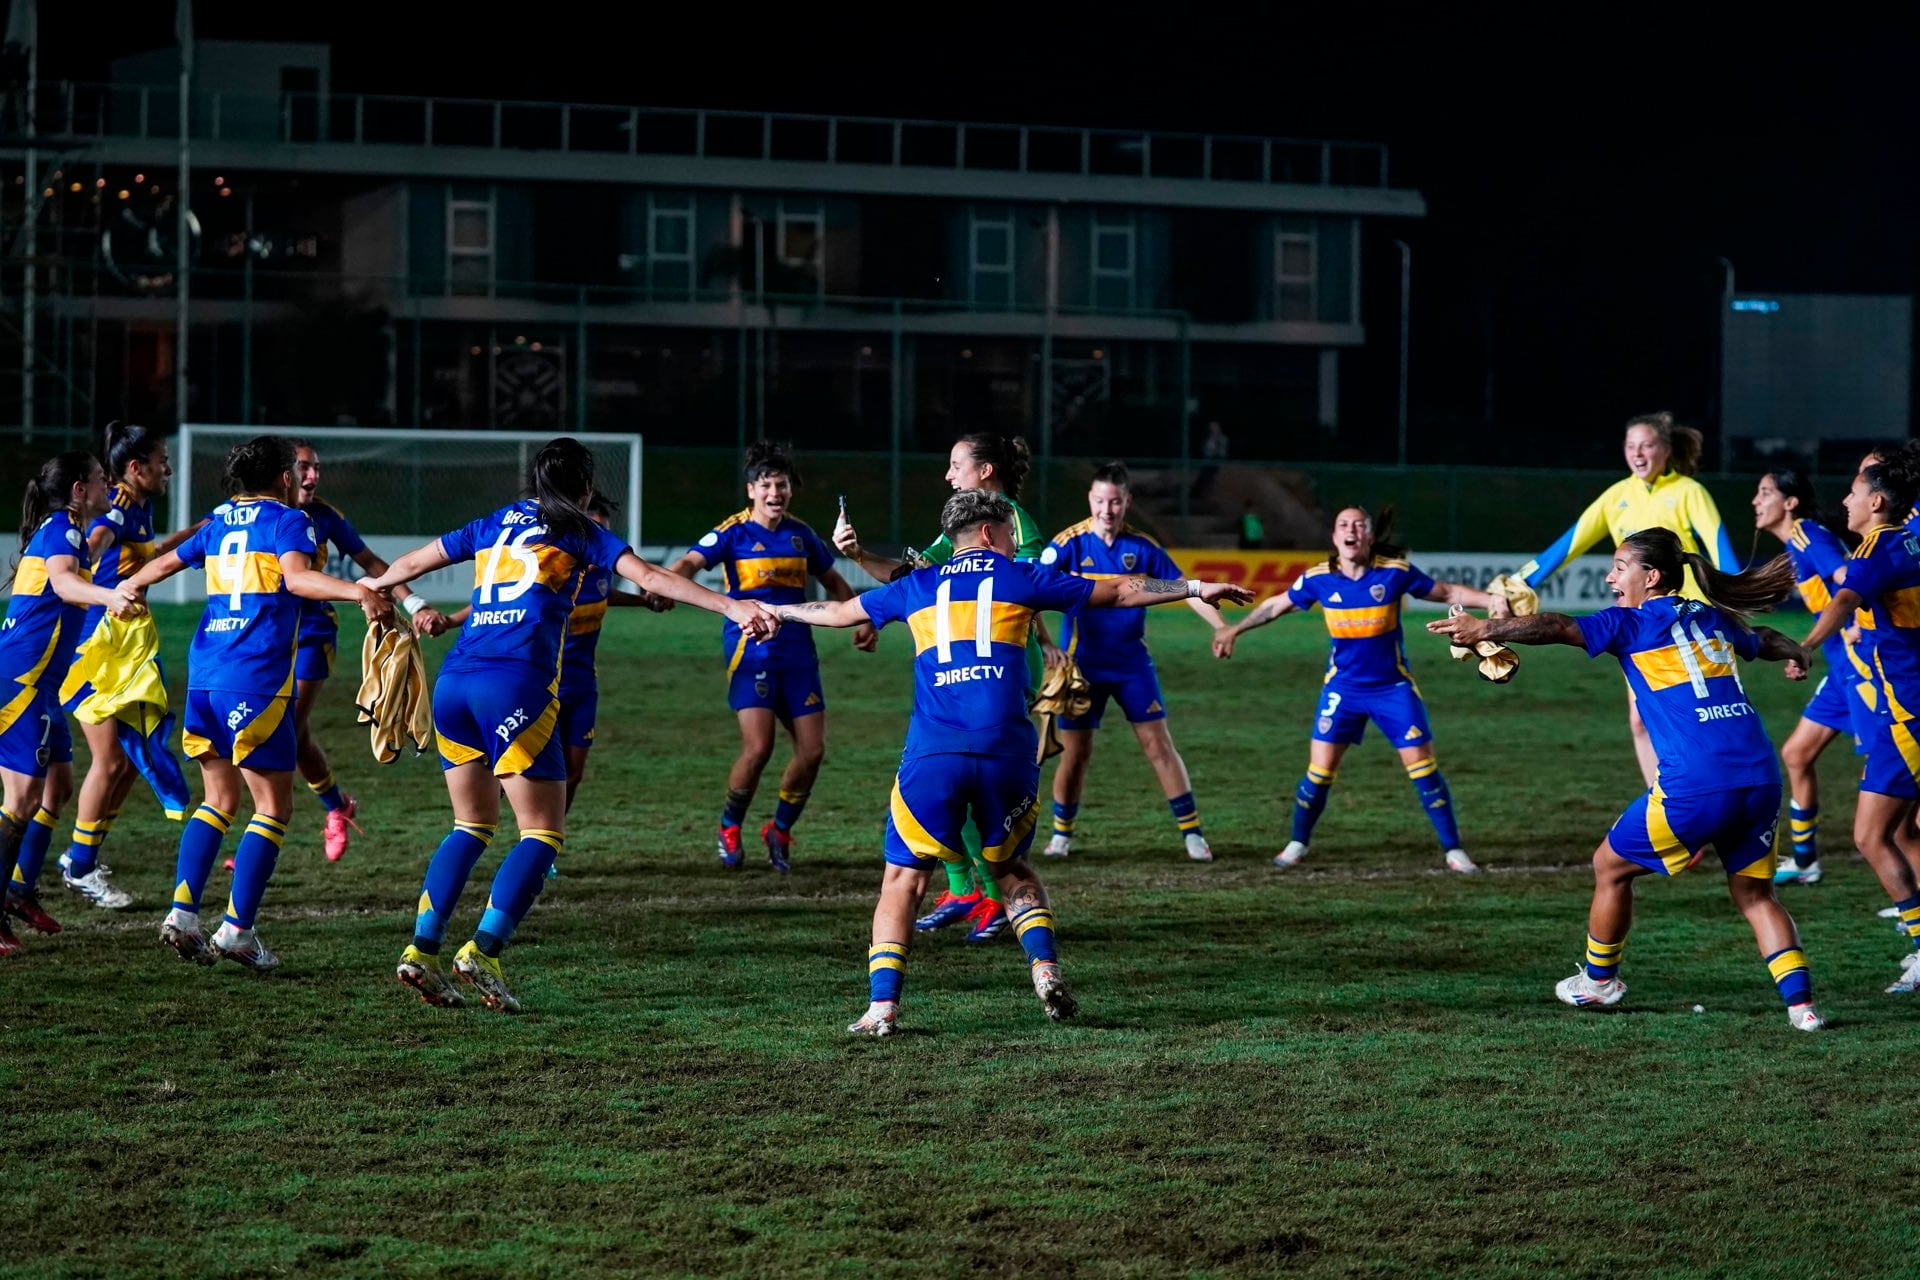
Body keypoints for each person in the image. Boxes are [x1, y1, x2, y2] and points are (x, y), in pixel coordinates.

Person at [763, 489, 1253, 1036]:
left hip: (935, 754)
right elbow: (1117, 592)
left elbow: (834, 612)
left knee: (903, 878)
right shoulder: (1019, 577)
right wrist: (1192, 587)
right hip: (1007, 753)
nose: (1017, 539)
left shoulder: (916, 586)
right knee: (1013, 867)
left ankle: (882, 1007)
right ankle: (1044, 972)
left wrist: (775, 608)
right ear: (993, 535)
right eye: (1011, 532)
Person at [358, 437, 781, 1013]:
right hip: (516, 686)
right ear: (584, 487)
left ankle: (420, 950)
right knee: (541, 833)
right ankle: (483, 949)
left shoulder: (496, 522)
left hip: (454, 683)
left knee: (469, 826)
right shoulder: (579, 529)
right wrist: (733, 606)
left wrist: (386, 597)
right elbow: (652, 577)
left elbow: (402, 567)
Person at [1429, 529, 1824, 1031]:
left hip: (1698, 785)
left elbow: (1557, 625)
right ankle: (1802, 1007)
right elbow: (1763, 639)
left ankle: (1599, 983)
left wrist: (1487, 630)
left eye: (1619, 566)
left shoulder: (1630, 625)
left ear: (1651, 576)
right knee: (1756, 896)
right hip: (1760, 779)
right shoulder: (1712, 616)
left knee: (1609, 866)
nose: (1611, 576)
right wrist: (1798, 651)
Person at [117, 436, 394, 971]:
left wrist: (126, 589)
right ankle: (237, 932)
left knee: (218, 800)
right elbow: (297, 578)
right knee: (273, 807)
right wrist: (358, 591)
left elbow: (159, 566)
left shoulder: (219, 522)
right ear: (285, 478)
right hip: (257, 679)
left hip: (206, 677)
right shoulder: (289, 521)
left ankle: (182, 914)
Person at [835, 432, 1053, 941]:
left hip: (998, 667)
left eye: (957, 465)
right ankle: (964, 890)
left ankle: (997, 900)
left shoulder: (1015, 524)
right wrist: (859, 555)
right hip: (954, 661)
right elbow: (914, 578)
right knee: (952, 775)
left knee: (976, 780)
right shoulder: (959, 527)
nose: (948, 475)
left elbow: (1028, 592)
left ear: (986, 472)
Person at [1213, 506, 1506, 872]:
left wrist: (1490, 599)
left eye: (1359, 525)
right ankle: (1297, 843)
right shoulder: (1318, 579)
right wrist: (1234, 629)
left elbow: (1446, 593)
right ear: (1335, 538)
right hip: (1342, 690)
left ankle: (1453, 850)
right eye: (1343, 525)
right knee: (1319, 773)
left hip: (1393, 689)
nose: (1351, 530)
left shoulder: (1394, 572)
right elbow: (1276, 606)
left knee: (1423, 768)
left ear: (1368, 536)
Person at [671, 442, 874, 872]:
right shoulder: (733, 532)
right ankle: (730, 824)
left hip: (799, 654)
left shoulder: (801, 535)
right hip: (752, 652)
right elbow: (690, 561)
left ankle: (779, 830)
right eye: (766, 485)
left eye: (781, 485)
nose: (774, 493)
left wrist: (862, 619)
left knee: (813, 751)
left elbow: (836, 582)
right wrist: (667, 582)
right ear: (751, 490)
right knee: (759, 747)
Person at [1516, 412, 1739, 786]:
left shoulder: (1689, 492)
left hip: (1689, 621)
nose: (1638, 453)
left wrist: (1737, 595)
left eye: (1647, 445)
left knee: (1701, 713)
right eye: (1631, 445)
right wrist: (1517, 582)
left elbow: (1720, 550)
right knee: (1641, 718)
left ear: (1666, 450)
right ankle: (1668, 802)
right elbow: (1568, 545)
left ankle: (1712, 794)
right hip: (1643, 626)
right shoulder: (1617, 496)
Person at [1037, 462, 1224, 862]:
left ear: (1127, 503)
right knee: (1076, 752)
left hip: (1131, 665)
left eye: (1116, 502)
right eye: (1101, 501)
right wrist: (1046, 643)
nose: (1108, 510)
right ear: (1090, 500)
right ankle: (1061, 835)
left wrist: (1220, 626)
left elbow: (1184, 588)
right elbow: (1030, 592)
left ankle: (1192, 834)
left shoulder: (1143, 548)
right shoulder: (1067, 544)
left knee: (1159, 744)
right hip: (1082, 666)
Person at [443, 491, 664, 822]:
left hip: (581, 684)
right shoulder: (552, 564)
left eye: (602, 528)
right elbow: (498, 599)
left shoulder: (601, 571)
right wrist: (449, 621)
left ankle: (545, 844)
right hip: (539, 683)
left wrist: (645, 601)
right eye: (591, 527)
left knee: (573, 771)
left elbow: (604, 595)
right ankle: (509, 829)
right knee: (510, 771)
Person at [0, 452, 144, 953]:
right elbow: (62, 584)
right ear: (80, 490)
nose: (109, 485)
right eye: (102, 479)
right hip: (22, 684)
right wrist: (109, 597)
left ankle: (19, 891)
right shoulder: (62, 527)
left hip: (43, 686)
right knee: (19, 800)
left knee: (56, 789)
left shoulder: (68, 530)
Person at [285, 439, 450, 862]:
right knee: (292, 736)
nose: (314, 475)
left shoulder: (324, 516)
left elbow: (371, 562)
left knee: (281, 732)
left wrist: (413, 604)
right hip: (259, 637)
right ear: (283, 472)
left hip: (310, 635)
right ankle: (336, 808)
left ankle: (258, 842)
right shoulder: (256, 514)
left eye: (317, 467)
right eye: (305, 466)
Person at [1794, 445, 1920, 993]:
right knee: (1903, 831)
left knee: (1872, 835)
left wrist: (1805, 646)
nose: (1843, 499)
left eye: (1852, 491)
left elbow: (1843, 600)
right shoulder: (1913, 537)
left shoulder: (1879, 546)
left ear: (1876, 501)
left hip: (1908, 712)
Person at [55, 422, 193, 910]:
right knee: (111, 759)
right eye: (161, 463)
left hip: (122, 648)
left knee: (133, 759)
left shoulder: (139, 505)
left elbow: (148, 554)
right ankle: (80, 863)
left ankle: (83, 854)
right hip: (94, 647)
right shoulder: (115, 506)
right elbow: (88, 548)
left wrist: (197, 533)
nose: (168, 470)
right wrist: (84, 558)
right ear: (136, 469)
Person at [1750, 469, 1873, 887]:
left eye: (1765, 492)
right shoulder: (1798, 545)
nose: (1755, 500)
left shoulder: (1806, 535)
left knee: (1885, 777)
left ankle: (1907, 880)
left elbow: (1848, 581)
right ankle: (1805, 862)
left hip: (1863, 668)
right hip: (1842, 671)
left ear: (1790, 503)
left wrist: (1861, 623)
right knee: (1797, 753)